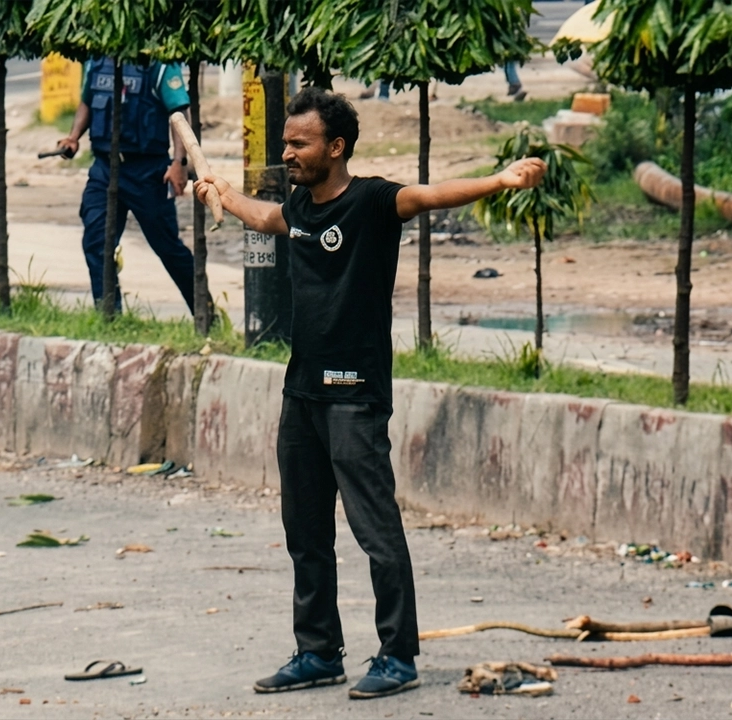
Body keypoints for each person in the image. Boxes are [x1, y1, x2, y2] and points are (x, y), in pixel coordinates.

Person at [194, 88, 545, 700]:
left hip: (355, 395)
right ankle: (317, 652)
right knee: (305, 532)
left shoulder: (374, 201)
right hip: (302, 394)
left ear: (336, 147)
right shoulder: (299, 207)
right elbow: (266, 218)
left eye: (299, 144)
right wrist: (222, 193)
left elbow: (431, 195)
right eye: (285, 143)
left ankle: (398, 656)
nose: (287, 153)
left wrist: (500, 180)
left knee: (375, 530)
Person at [55, 58, 200, 313]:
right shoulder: (96, 61)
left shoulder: (159, 65)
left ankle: (204, 314)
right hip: (105, 168)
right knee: (96, 242)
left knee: (167, 247)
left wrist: (179, 162)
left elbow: (178, 114)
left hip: (148, 172)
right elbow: (87, 101)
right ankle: (109, 317)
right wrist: (73, 137)